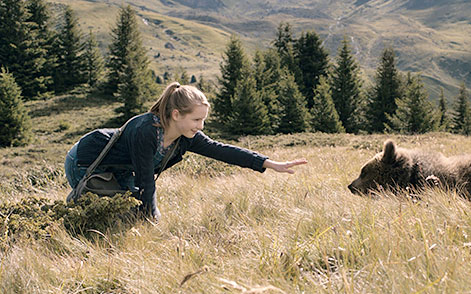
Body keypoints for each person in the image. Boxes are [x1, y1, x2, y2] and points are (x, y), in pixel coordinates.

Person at [64, 82, 307, 221]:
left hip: (121, 170)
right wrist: (151, 216)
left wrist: (268, 163)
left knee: (129, 216)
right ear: (176, 114)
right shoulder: (146, 131)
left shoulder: (185, 137)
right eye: (196, 120)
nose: (200, 127)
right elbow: (146, 180)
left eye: (203, 121)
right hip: (87, 161)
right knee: (106, 217)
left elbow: (222, 150)